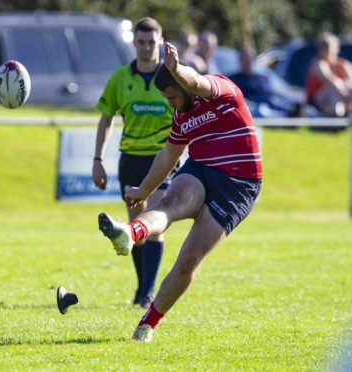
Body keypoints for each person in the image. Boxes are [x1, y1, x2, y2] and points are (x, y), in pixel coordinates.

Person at [98, 42, 262, 342]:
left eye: (173, 96)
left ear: (182, 84)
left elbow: (197, 82)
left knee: (189, 260)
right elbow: (168, 156)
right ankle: (130, 234)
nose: (171, 103)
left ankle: (146, 325)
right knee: (169, 204)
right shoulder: (181, 117)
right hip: (201, 169)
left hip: (238, 186)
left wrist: (176, 69)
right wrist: (143, 189)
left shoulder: (221, 89)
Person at [93, 17, 178, 309]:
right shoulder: (120, 78)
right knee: (135, 228)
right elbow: (106, 120)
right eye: (140, 42)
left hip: (163, 157)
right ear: (135, 43)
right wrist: (97, 160)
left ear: (160, 43)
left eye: (151, 43)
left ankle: (147, 292)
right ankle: (143, 289)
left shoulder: (171, 77)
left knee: (155, 219)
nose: (145, 48)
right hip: (131, 160)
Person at [228, 45, 301, 118]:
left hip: (273, 102)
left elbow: (272, 92)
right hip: (256, 106)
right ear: (240, 60)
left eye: (249, 58)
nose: (247, 61)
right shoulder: (234, 80)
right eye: (244, 58)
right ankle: (286, 116)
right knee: (261, 110)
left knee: (285, 101)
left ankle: (295, 113)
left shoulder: (262, 78)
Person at [306, 33, 352, 117]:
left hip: (341, 98)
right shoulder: (317, 64)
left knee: (347, 86)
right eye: (323, 47)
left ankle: (343, 114)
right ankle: (337, 117)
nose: (325, 50)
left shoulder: (344, 64)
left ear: (337, 49)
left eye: (328, 46)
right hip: (316, 101)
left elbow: (350, 81)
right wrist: (346, 96)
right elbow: (331, 80)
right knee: (333, 88)